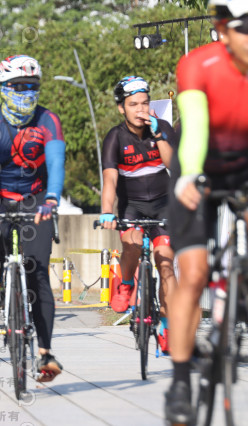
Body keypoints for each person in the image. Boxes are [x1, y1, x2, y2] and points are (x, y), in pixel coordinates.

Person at [164, 1, 248, 422]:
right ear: (224, 30)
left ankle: (239, 299)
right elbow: (195, 127)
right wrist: (192, 174)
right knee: (194, 273)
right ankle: (180, 381)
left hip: (243, 167)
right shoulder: (198, 64)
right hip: (198, 168)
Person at [0, 55, 65, 382]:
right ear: (3, 88)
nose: (26, 93)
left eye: (32, 86)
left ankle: (45, 353)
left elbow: (56, 162)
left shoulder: (48, 120)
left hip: (36, 198)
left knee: (38, 274)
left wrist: (52, 198)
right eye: (18, 86)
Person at [99, 76, 178, 354]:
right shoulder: (115, 137)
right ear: (122, 108)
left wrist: (159, 136)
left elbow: (172, 164)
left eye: (144, 103)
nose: (140, 109)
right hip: (132, 205)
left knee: (166, 265)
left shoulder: (162, 127)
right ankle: (125, 284)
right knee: (131, 245)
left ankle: (167, 325)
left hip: (163, 204)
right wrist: (107, 212)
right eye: (133, 104)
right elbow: (110, 179)